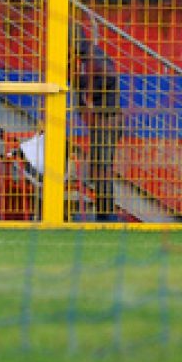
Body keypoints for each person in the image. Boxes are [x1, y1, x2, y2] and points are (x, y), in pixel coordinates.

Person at [73, 28, 121, 223]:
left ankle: (107, 215)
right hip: (103, 120)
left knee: (101, 166)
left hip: (106, 120)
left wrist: (89, 94)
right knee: (98, 166)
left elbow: (109, 76)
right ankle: (104, 212)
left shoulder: (91, 56)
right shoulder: (89, 57)